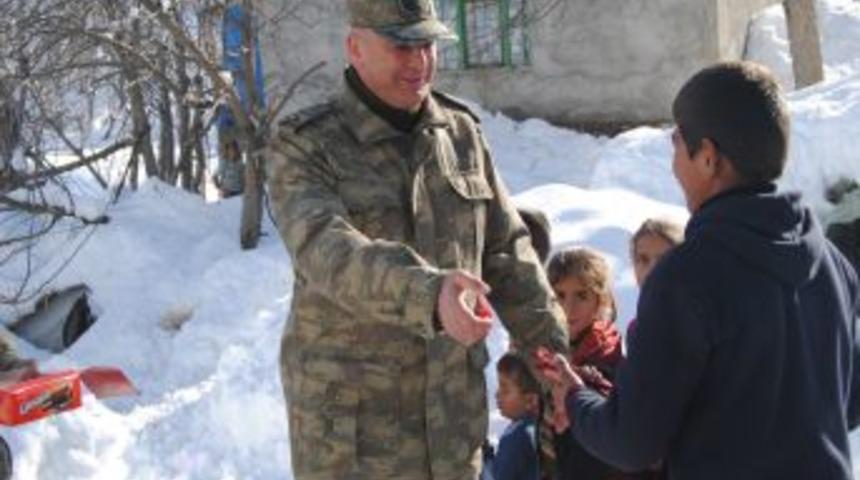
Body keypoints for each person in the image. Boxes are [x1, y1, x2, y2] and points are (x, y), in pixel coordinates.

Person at [265, 0, 568, 478]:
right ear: (355, 47)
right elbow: (326, 250)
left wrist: (553, 358)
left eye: (426, 45)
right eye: (401, 45)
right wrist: (430, 294)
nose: (419, 62)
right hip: (355, 436)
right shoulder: (306, 143)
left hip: (450, 427)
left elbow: (507, 251)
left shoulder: (460, 133)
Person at [540, 61, 860, 479]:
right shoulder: (832, 263)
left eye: (676, 144)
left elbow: (631, 442)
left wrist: (576, 400)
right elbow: (847, 403)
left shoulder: (685, 278)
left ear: (708, 158)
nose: (673, 163)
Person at [546, 247, 627, 480]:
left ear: (600, 300)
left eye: (582, 295)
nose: (568, 308)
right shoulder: (546, 352)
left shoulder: (608, 360)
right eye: (559, 295)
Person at [482, 353, 542, 480]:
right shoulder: (532, 429)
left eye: (505, 390)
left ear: (530, 400)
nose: (497, 394)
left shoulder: (516, 436)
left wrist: (485, 458)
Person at [626, 218, 684, 344]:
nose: (652, 270)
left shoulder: (699, 324)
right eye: (643, 259)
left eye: (664, 260)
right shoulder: (636, 329)